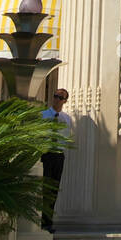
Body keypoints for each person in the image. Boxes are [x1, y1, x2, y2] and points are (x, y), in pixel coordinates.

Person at [41, 88, 72, 232]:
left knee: (53, 188)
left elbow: (66, 136)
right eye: (55, 96)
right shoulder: (43, 115)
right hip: (46, 154)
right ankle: (42, 221)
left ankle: (48, 221)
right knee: (44, 188)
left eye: (60, 97)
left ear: (65, 101)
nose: (56, 99)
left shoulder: (66, 119)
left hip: (59, 155)